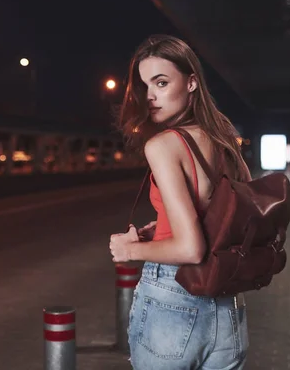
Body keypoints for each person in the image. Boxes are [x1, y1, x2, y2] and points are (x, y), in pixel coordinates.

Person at [109, 34, 251, 369]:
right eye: (145, 86)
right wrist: (160, 229)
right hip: (228, 306)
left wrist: (128, 250)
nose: (151, 96)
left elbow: (191, 249)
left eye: (161, 82)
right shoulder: (224, 138)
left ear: (191, 83)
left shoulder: (163, 145)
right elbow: (228, 213)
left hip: (174, 298)